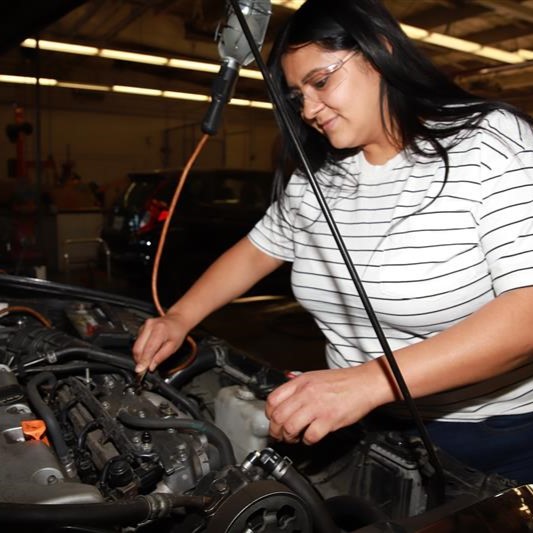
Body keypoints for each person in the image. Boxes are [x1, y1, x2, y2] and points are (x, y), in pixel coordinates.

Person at [133, 0, 533, 484]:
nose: (309, 109)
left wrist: (367, 382)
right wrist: (179, 317)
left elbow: (525, 315)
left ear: (379, 51)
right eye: (298, 95)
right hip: (365, 427)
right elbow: (258, 250)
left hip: (491, 440)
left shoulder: (489, 142)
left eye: (321, 82)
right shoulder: (322, 176)